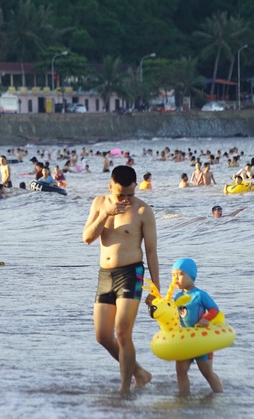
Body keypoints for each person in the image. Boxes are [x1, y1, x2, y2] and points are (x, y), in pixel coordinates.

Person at [82, 165, 159, 393]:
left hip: (131, 273)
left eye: (130, 194)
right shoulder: (98, 204)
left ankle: (124, 390)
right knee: (103, 336)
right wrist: (106, 213)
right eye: (120, 195)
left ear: (136, 187)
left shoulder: (143, 211)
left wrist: (155, 290)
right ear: (110, 187)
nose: (126, 199)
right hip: (105, 275)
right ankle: (140, 373)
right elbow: (87, 238)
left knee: (123, 332)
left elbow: (152, 252)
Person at [169, 258, 224, 394]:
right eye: (173, 275)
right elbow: (175, 317)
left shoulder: (200, 295)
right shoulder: (177, 298)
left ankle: (219, 395)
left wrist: (206, 318)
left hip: (202, 340)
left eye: (180, 274)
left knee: (206, 371)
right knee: (180, 370)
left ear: (191, 275)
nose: (176, 278)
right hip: (186, 340)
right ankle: (184, 397)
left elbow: (214, 309)